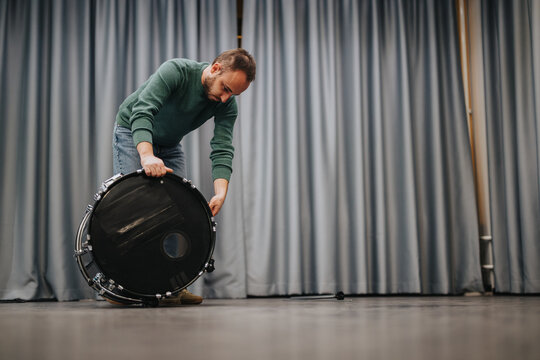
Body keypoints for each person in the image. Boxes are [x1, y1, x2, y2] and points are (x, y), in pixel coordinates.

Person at [111, 49, 256, 305]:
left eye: (232, 94)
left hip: (169, 144)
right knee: (135, 211)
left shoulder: (226, 104)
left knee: (177, 214)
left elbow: (222, 147)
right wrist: (146, 156)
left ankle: (172, 287)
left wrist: (221, 192)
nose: (224, 98)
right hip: (131, 129)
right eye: (225, 89)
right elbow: (142, 111)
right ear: (214, 68)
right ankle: (124, 286)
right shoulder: (176, 71)